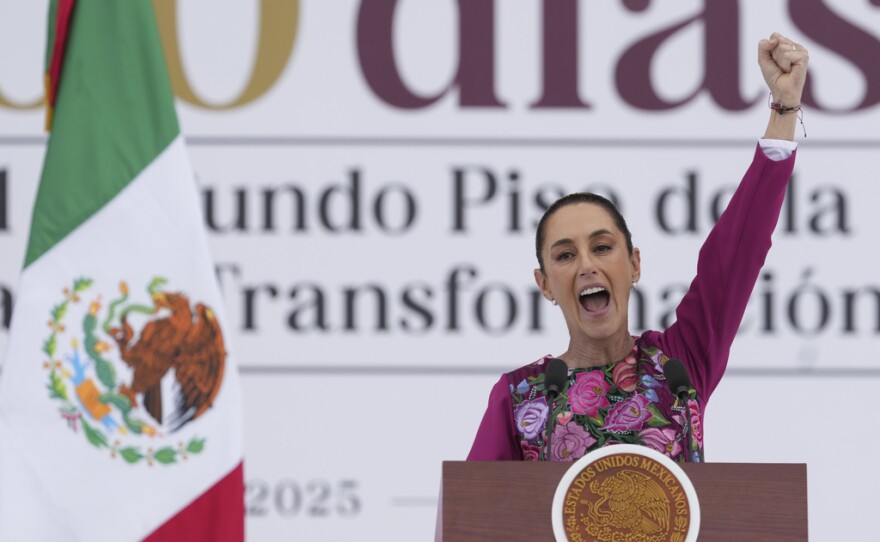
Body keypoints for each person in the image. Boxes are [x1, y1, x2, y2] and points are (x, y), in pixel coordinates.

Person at [466, 33, 809, 463]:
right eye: (565, 255)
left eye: (602, 247)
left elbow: (736, 254)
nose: (587, 265)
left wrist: (783, 110)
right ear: (545, 283)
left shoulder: (678, 367)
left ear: (634, 264)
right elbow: (471, 519)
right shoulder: (520, 398)